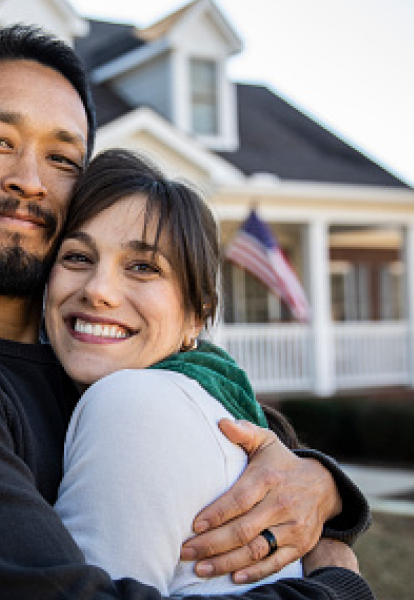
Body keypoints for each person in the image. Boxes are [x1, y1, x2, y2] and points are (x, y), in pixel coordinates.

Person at [0, 25, 371, 600]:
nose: (29, 180)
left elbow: (255, 446)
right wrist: (337, 583)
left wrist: (323, 487)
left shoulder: (93, 356)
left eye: (62, 157)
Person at [46, 149, 361, 595]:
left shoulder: (130, 401)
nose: (98, 290)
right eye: (78, 257)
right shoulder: (200, 399)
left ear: (197, 316)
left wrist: (340, 582)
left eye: (142, 267)